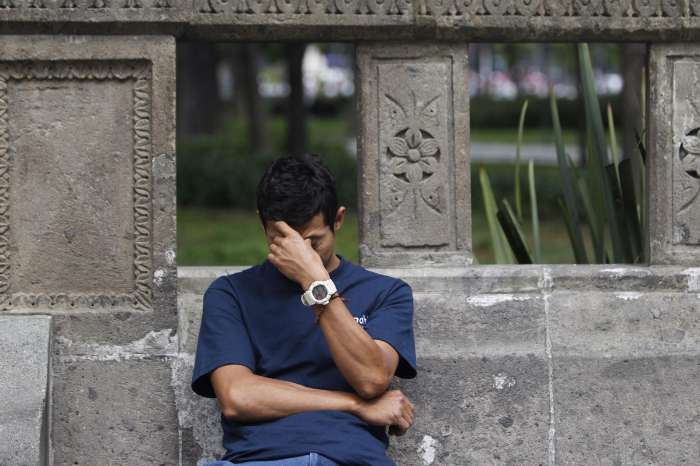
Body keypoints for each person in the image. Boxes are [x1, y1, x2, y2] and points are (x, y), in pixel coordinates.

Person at [191, 153, 418, 466]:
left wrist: (315, 283)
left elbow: (371, 379)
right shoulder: (230, 294)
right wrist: (355, 405)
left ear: (337, 219)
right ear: (261, 223)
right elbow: (237, 397)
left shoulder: (387, 292)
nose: (301, 254)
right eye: (283, 241)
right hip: (262, 459)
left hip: (352, 460)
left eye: (312, 243)